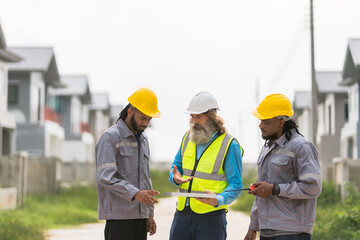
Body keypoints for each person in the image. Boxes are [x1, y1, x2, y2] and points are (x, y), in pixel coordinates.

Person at [244, 93, 322, 240]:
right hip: (266, 230)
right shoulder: (267, 148)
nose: (260, 125)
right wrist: (253, 226)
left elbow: (313, 187)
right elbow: (261, 193)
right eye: (260, 120)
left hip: (292, 232)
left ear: (281, 121)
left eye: (265, 121)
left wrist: (275, 189)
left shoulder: (301, 147)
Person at [168, 91, 244, 240]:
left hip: (211, 218)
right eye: (192, 117)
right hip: (182, 214)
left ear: (211, 118)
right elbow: (176, 167)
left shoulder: (229, 145)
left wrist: (219, 199)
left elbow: (236, 185)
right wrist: (174, 177)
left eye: (199, 117)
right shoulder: (187, 138)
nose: (194, 121)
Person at [96, 87, 161, 240]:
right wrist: (135, 193)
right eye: (142, 118)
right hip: (119, 217)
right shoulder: (110, 137)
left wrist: (149, 214)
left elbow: (145, 178)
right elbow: (105, 177)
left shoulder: (144, 141)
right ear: (130, 110)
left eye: (149, 119)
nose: (145, 123)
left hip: (140, 218)